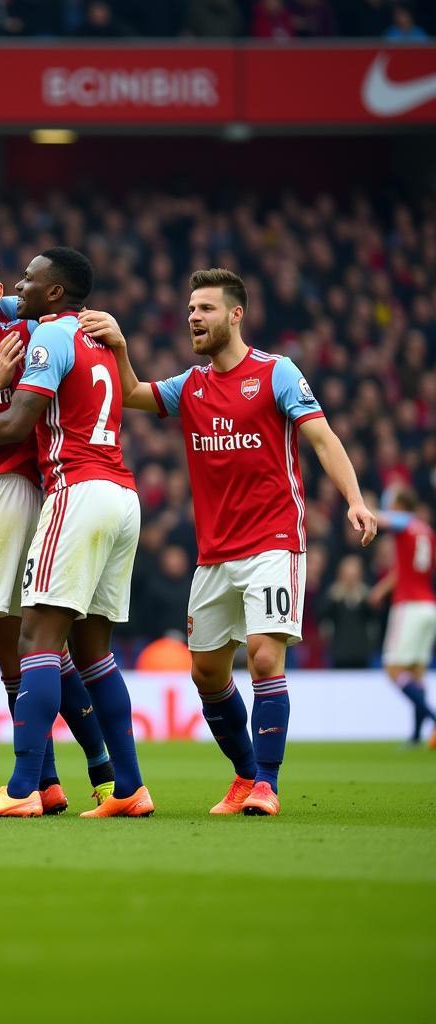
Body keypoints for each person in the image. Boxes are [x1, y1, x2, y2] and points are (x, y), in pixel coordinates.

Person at [80, 267, 377, 816]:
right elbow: (131, 395)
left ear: (235, 314)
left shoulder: (276, 373)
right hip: (215, 552)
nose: (194, 317)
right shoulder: (191, 385)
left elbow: (322, 437)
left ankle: (267, 782)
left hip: (274, 540)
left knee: (265, 659)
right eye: (191, 309)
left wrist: (356, 499)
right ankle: (244, 775)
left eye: (206, 309)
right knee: (206, 672)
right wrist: (120, 348)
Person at [0, 248, 151, 818]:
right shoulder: (97, 334)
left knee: (35, 642)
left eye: (29, 278)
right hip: (123, 494)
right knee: (94, 652)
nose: (20, 286)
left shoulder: (50, 335)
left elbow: (14, 423)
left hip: (76, 488)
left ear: (54, 293)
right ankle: (127, 787)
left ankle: (24, 788)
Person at [370, 487, 436, 746]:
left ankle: (433, 719)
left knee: (394, 669)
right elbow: (408, 569)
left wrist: (364, 508)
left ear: (398, 504)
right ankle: (417, 735)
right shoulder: (427, 531)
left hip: (408, 607)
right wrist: (382, 589)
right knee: (416, 674)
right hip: (429, 606)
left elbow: (385, 519)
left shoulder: (405, 521)